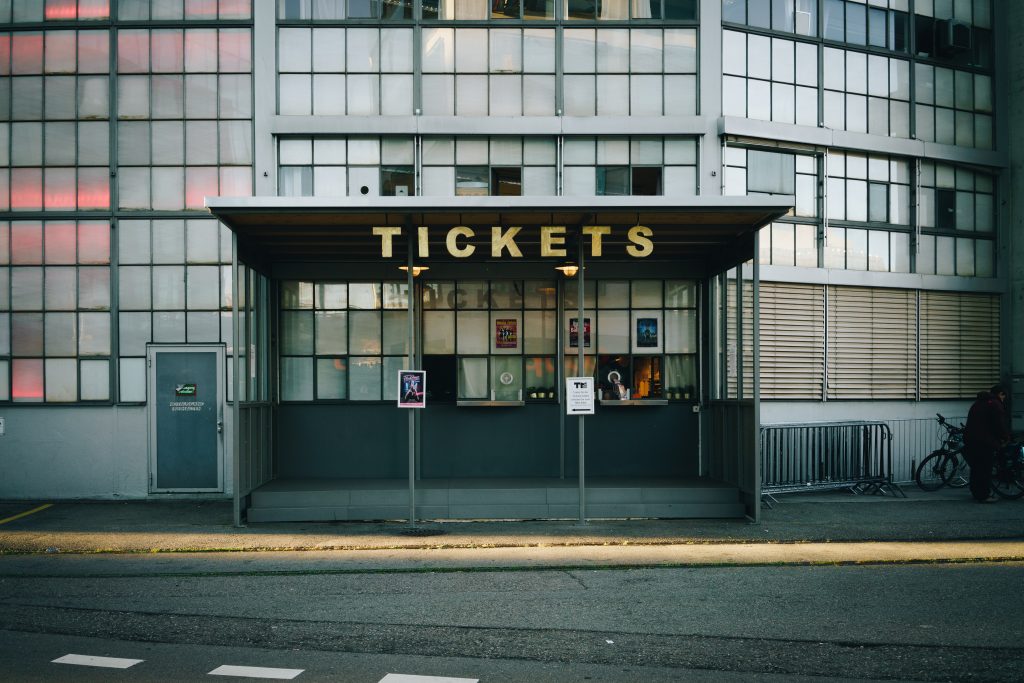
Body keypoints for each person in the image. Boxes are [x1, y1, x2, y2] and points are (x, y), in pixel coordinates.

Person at [963, 384, 1010, 502]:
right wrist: (1005, 437)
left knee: (976, 468)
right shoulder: (995, 404)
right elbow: (998, 424)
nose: (1004, 399)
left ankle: (976, 493)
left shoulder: (978, 403)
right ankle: (984, 495)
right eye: (1004, 396)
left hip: (971, 439)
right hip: (984, 441)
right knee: (985, 468)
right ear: (1001, 394)